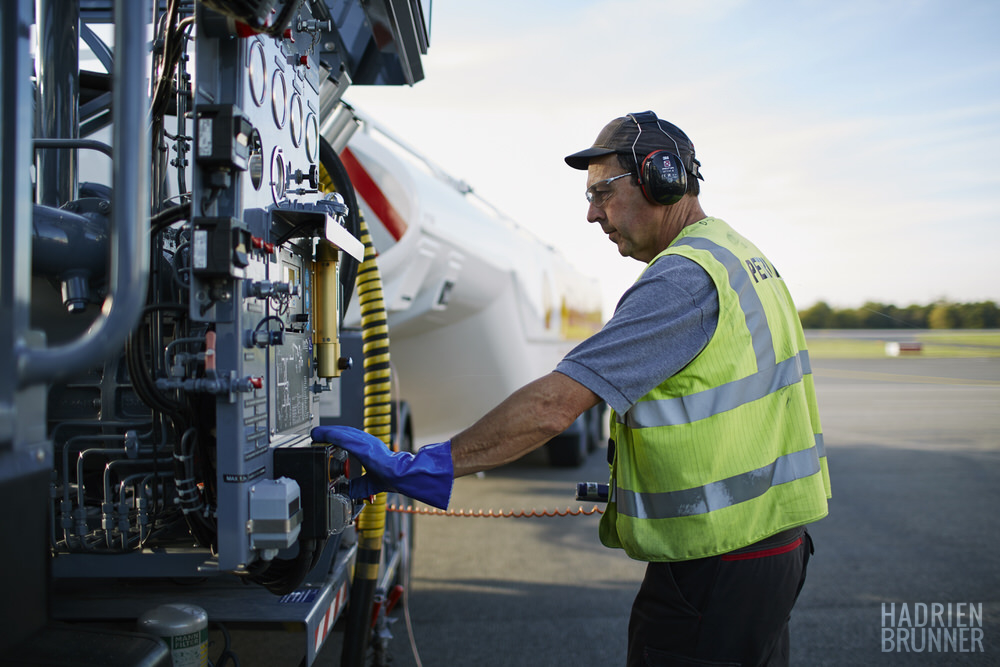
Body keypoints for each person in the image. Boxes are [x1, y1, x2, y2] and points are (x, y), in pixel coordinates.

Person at [312, 110, 832, 666]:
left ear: (663, 179)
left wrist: (431, 465)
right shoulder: (741, 257)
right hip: (773, 546)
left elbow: (554, 407)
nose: (591, 214)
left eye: (603, 192)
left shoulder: (682, 279)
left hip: (717, 562)